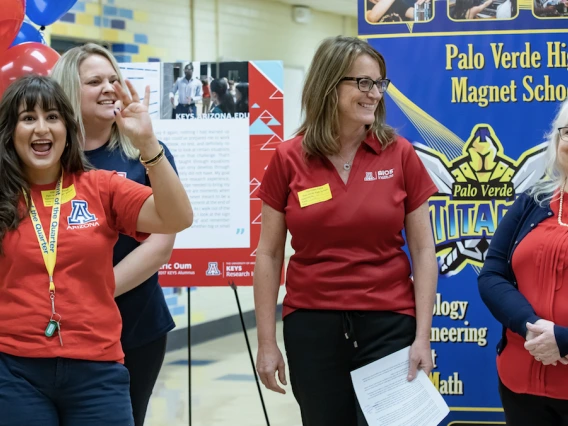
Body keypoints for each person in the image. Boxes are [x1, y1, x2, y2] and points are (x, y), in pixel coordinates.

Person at [253, 35, 438, 426]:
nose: (374, 94)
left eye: (380, 84)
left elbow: (423, 251)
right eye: (363, 83)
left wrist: (423, 335)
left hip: (389, 321)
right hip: (313, 327)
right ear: (329, 84)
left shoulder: (400, 153)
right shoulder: (289, 158)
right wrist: (266, 342)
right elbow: (269, 254)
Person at [0, 75, 192, 426]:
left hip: (97, 369)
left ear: (68, 129)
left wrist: (148, 145)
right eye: (28, 118)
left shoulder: (101, 186)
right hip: (15, 371)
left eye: (53, 117)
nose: (41, 128)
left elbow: (176, 217)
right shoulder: (3, 197)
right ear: (10, 133)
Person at [51, 43, 178, 426]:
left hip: (134, 325)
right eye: (94, 81)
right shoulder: (45, 155)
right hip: (56, 327)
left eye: (113, 79)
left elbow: (162, 240)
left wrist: (95, 290)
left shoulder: (146, 154)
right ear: (68, 91)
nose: (109, 88)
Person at [478, 100, 568, 426]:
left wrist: (563, 339)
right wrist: (533, 327)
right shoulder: (533, 200)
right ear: (557, 140)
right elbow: (492, 274)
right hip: (520, 386)